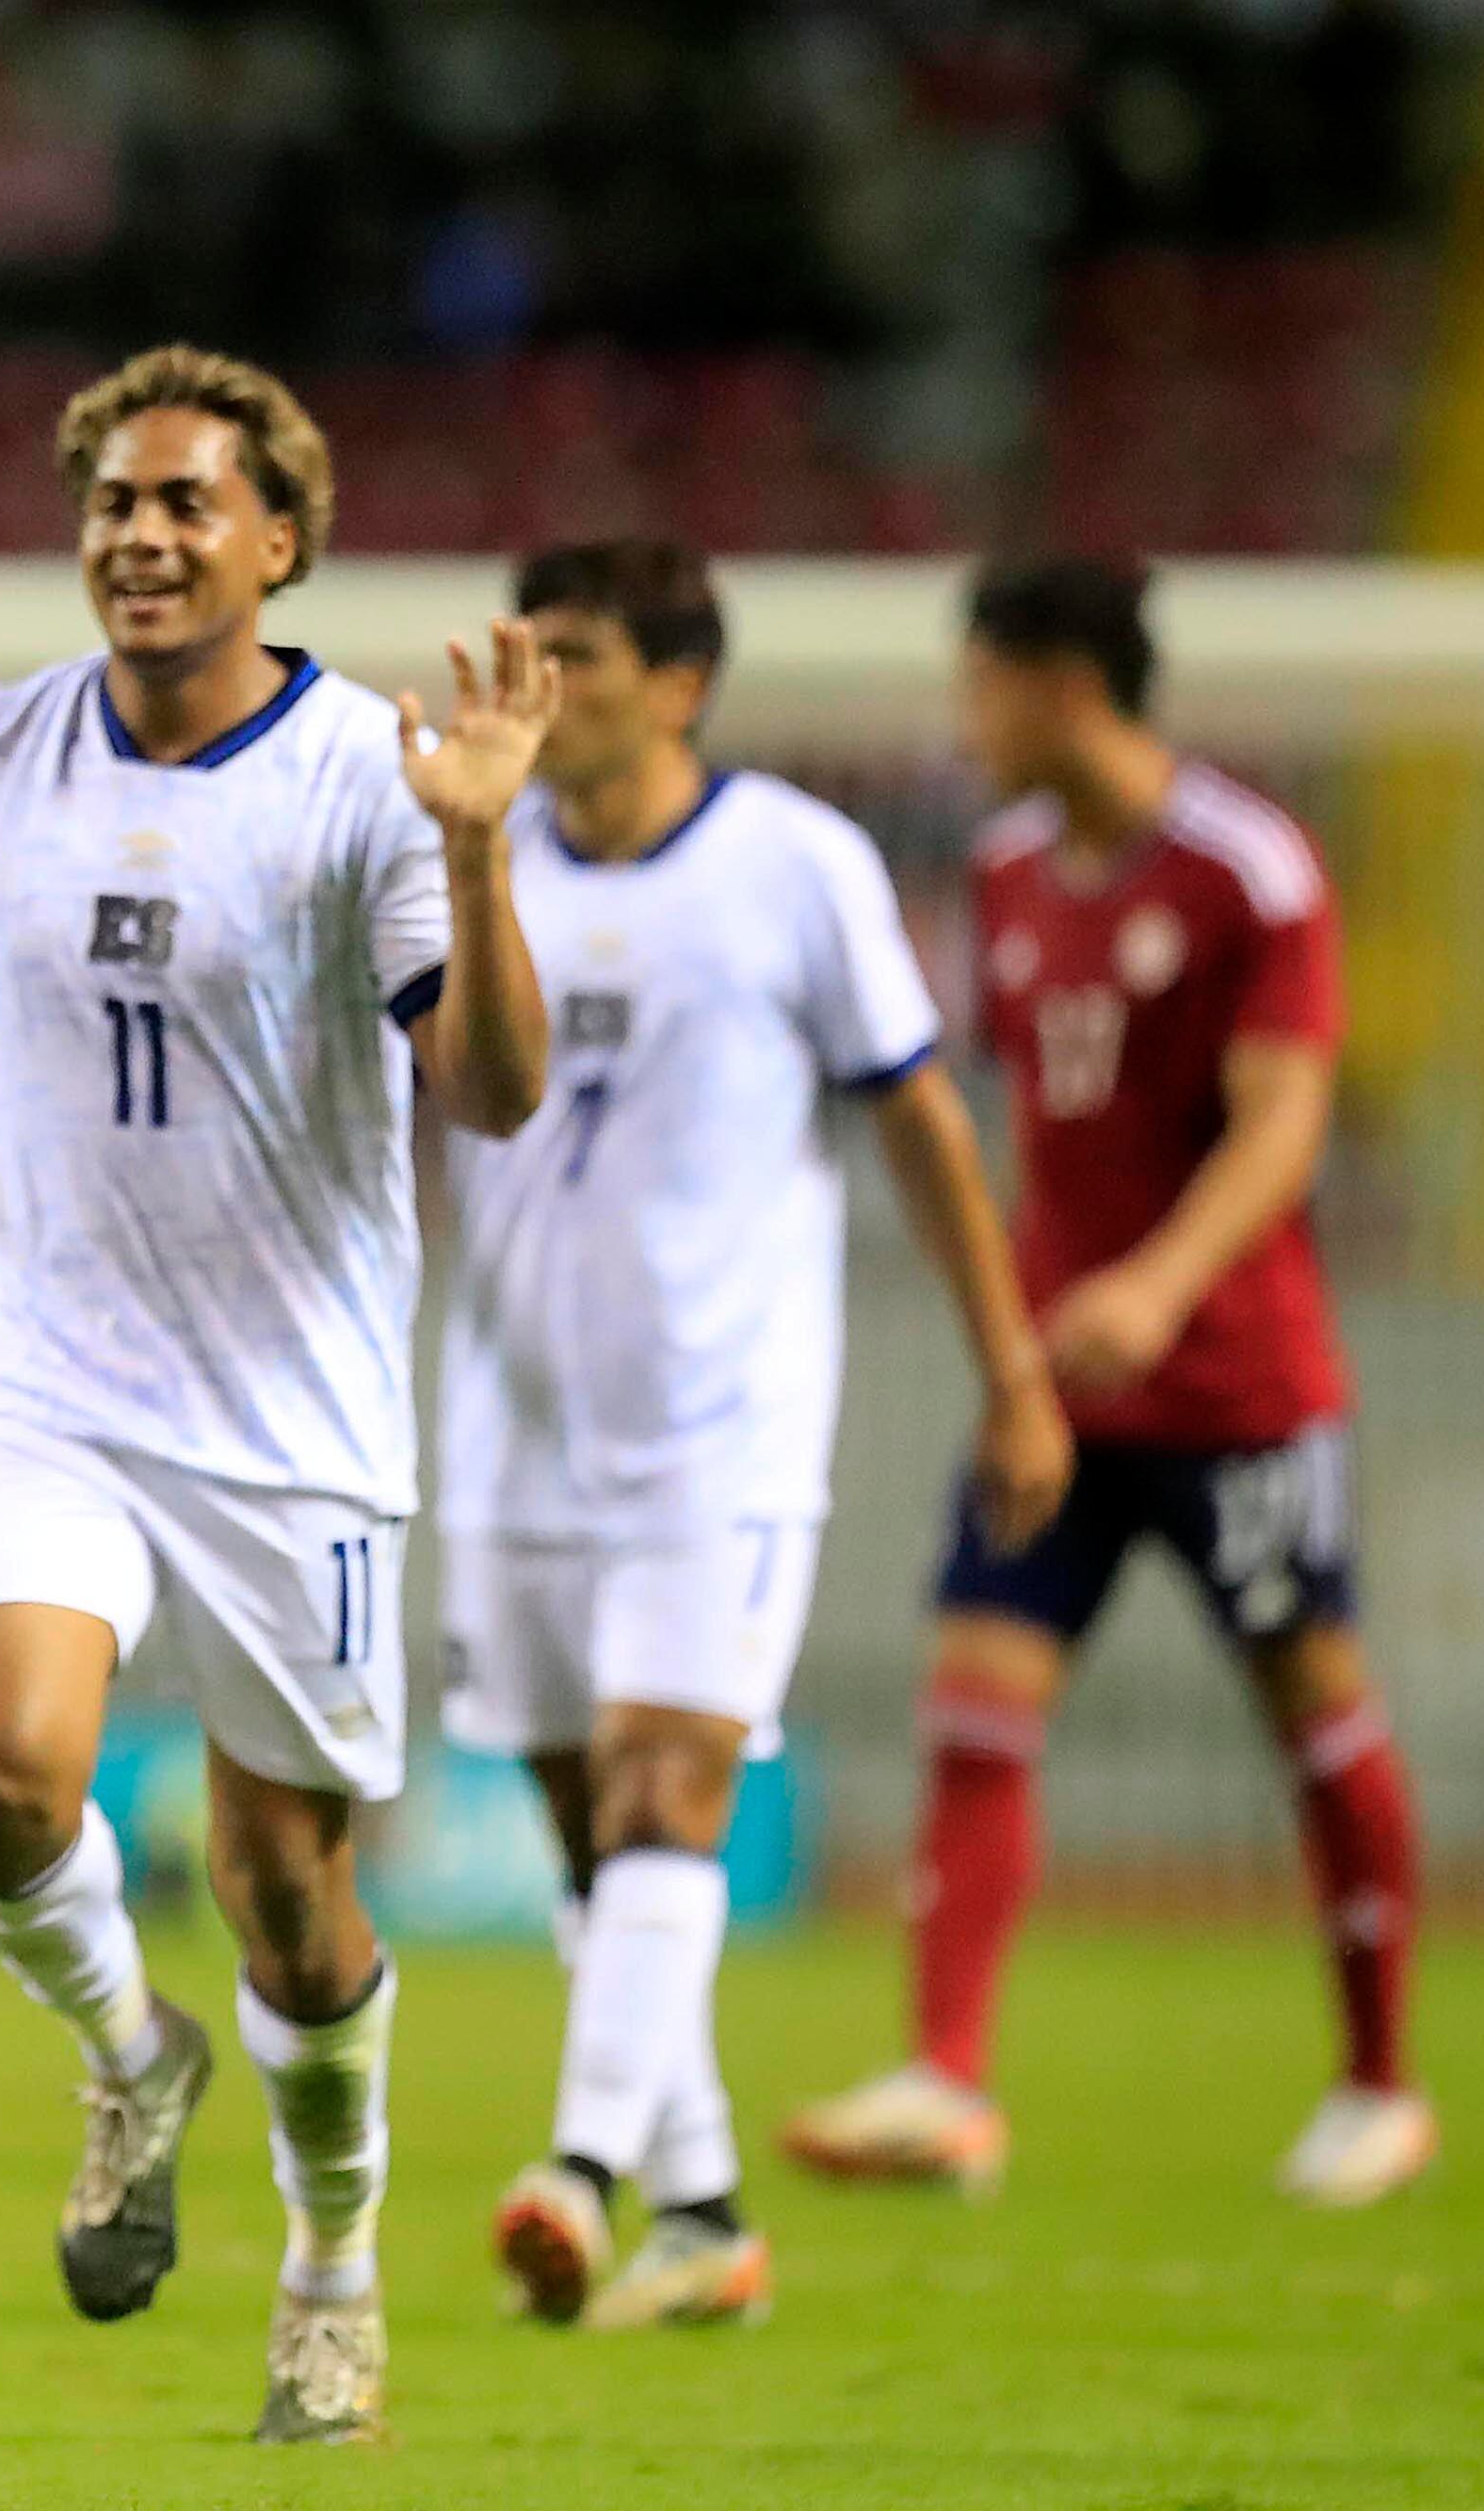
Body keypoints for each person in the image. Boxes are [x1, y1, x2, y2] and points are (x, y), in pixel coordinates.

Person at [0, 343, 552, 2444]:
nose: (142, 537)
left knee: (287, 1891)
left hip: (297, 1421)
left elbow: (499, 1089)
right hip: (50, 1382)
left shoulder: (370, 770)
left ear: (277, 543)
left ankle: (331, 2274)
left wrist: (489, 853)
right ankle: (123, 2050)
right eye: (112, 505)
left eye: (185, 506)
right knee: (0, 1773)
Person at [434, 541, 1070, 2332]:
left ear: (682, 681)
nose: (541, 683)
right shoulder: (481, 861)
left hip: (722, 1431)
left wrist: (1011, 1370)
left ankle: (576, 2168)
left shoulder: (796, 864)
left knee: (668, 1797)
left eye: (579, 653)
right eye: (530, 648)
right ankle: (704, 2213)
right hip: (511, 1427)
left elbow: (923, 1124)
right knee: (593, 1843)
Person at [785, 559, 1431, 2208]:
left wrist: (1158, 1284)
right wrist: (1031, 1324)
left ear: (1064, 683)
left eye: (980, 683)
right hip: (1057, 1390)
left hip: (1238, 1388)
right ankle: (949, 2080)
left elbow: (1285, 1115)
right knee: (977, 1702)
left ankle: (1379, 2082)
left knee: (1313, 1710)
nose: (962, 721)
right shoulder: (1007, 873)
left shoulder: (1250, 870)